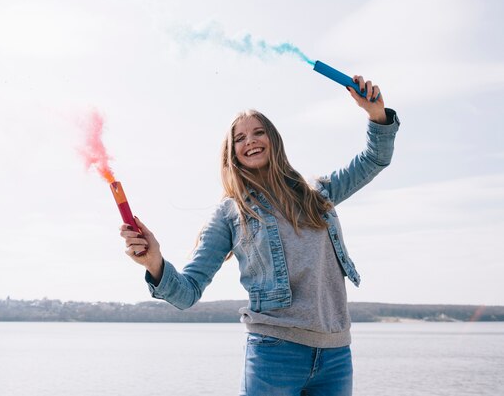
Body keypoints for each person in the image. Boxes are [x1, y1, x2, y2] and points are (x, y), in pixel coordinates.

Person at [119, 76, 400, 396]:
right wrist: (154, 262)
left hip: (335, 355)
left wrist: (376, 115)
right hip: (275, 354)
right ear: (232, 152)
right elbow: (187, 293)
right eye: (239, 137)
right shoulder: (231, 213)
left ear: (274, 139)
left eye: (258, 132)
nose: (250, 140)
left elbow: (375, 159)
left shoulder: (318, 194)